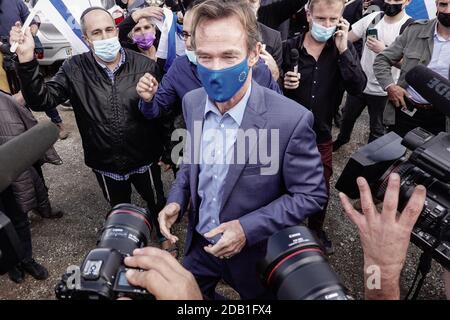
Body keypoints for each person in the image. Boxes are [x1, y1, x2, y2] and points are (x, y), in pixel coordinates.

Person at [148, 0, 327, 300]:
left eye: (229, 56)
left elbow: (311, 195)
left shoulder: (290, 120)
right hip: (200, 244)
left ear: (254, 54)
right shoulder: (192, 102)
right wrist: (178, 200)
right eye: (204, 56)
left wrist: (246, 229)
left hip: (255, 254)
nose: (215, 70)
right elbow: (193, 159)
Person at [9, 7, 173, 253]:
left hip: (144, 156)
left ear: (117, 31)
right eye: (96, 33)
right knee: (119, 206)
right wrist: (27, 61)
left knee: (156, 198)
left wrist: (167, 150)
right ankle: (125, 244)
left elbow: (162, 111)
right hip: (105, 161)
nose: (105, 37)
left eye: (109, 30)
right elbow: (42, 100)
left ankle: (163, 232)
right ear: (86, 39)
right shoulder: (74, 68)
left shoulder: (143, 64)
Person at [137, 0, 282, 172]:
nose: (189, 43)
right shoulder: (179, 68)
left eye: (196, 34)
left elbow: (279, 112)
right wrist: (148, 99)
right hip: (201, 158)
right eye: (185, 35)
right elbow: (155, 110)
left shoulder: (254, 68)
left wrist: (275, 75)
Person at [282, 0, 367, 254]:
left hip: (320, 135)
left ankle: (316, 230)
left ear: (341, 19)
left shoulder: (341, 49)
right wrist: (284, 82)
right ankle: (286, 230)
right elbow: (270, 88)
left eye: (333, 19)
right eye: (321, 19)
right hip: (288, 135)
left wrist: (344, 50)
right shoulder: (289, 48)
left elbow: (357, 87)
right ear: (308, 15)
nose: (327, 25)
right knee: (284, 185)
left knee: (320, 188)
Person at [333, 0, 413, 151]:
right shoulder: (374, 17)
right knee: (347, 118)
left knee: (377, 129)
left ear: (407, 2)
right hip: (360, 84)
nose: (391, 3)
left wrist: (385, 51)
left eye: (397, 0)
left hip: (385, 90)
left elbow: (409, 64)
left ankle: (368, 158)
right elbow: (347, 38)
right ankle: (341, 140)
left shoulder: (409, 27)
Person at [373, 0, 450, 137]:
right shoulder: (415, 30)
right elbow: (382, 59)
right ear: (437, 5)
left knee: (430, 157)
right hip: (407, 108)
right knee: (393, 152)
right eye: (444, 4)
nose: (448, 10)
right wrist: (390, 87)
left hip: (443, 117)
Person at [0, 0, 69, 140]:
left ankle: (58, 123)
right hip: (3, 63)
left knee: (37, 89)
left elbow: (33, 20)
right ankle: (24, 130)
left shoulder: (15, 2)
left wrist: (32, 29)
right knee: (11, 100)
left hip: (23, 56)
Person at [248, 0, 283, 81]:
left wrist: (274, 72)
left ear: (259, 3)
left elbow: (278, 89)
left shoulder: (273, 37)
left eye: (253, 1)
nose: (247, 5)